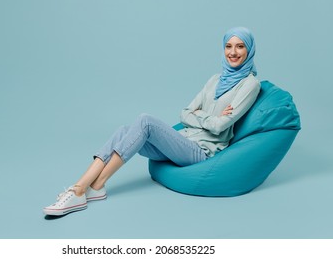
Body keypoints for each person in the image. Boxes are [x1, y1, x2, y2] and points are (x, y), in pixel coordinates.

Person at [43, 27, 261, 216]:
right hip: (183, 140)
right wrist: (208, 117)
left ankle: (79, 192)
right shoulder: (215, 79)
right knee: (123, 131)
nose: (233, 52)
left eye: (240, 46)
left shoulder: (250, 84)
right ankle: (90, 186)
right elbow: (184, 113)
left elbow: (220, 126)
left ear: (248, 50)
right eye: (228, 46)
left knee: (145, 121)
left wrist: (201, 115)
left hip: (201, 151)